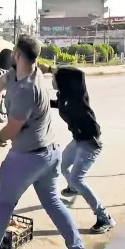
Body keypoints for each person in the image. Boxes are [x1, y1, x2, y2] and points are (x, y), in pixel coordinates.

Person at [0, 34, 84, 249]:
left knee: (4, 204)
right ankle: (77, 247)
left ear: (16, 54)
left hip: (29, 157)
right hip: (50, 154)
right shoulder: (21, 74)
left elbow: (13, 127)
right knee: (52, 202)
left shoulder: (27, 89)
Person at [50, 66, 116, 234]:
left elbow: (79, 73)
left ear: (62, 80)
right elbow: (60, 105)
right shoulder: (64, 96)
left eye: (54, 78)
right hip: (78, 140)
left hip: (90, 142)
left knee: (78, 178)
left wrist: (53, 68)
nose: (51, 80)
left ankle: (105, 217)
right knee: (62, 165)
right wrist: (43, 101)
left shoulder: (77, 95)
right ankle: (73, 187)